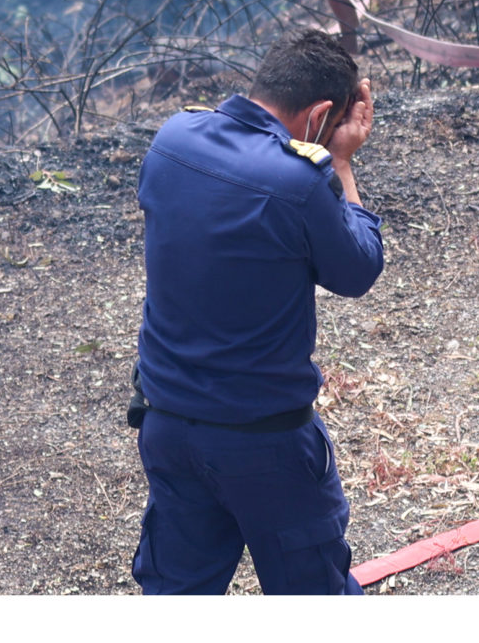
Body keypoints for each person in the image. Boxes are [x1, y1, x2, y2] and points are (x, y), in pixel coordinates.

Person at [129, 30, 382, 595]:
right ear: (320, 115)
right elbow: (358, 270)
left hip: (167, 422)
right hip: (264, 441)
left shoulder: (172, 139)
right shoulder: (299, 180)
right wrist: (341, 163)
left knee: (175, 595)